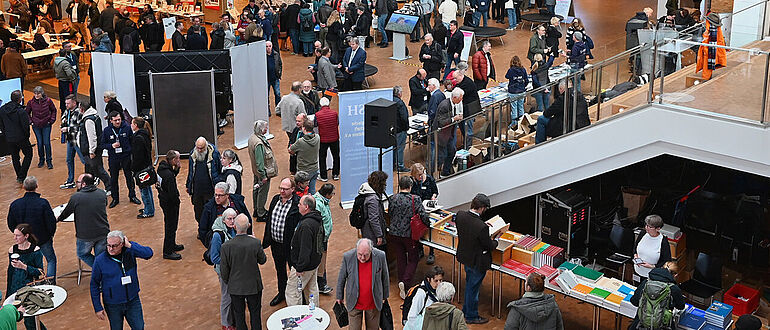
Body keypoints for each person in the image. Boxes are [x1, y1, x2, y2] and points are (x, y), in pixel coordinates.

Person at [90, 231, 153, 329]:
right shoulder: (100, 260)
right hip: (113, 305)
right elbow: (94, 284)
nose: (111, 249)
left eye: (114, 246)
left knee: (139, 327)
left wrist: (130, 246)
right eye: (108, 245)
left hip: (132, 300)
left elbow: (148, 254)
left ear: (122, 243)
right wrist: (97, 307)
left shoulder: (130, 250)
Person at [456, 193, 498, 324]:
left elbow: (470, 229)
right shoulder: (482, 227)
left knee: (470, 285)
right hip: (477, 261)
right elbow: (488, 245)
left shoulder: (460, 215)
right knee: (473, 289)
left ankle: (466, 310)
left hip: (466, 257)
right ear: (482, 208)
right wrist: (496, 240)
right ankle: (471, 315)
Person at [220, 214, 267, 330]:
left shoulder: (226, 246)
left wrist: (230, 282)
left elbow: (224, 271)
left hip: (236, 287)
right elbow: (263, 260)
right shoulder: (255, 243)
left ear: (235, 226)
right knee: (255, 315)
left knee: (239, 315)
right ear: (249, 226)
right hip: (253, 286)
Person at [7, 177, 58, 281]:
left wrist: (20, 236)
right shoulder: (43, 203)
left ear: (24, 187)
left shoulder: (15, 204)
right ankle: (50, 284)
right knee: (51, 260)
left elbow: (11, 223)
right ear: (36, 187)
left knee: (26, 264)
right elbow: (51, 222)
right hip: (43, 239)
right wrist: (50, 235)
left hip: (25, 241)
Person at [263, 177, 301, 307]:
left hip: (290, 246)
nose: (282, 191)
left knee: (294, 272)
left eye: (285, 189)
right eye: (281, 188)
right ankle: (282, 293)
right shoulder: (275, 200)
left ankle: (296, 296)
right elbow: (269, 220)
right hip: (276, 244)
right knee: (280, 270)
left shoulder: (297, 204)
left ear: (293, 189)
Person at [389, 176, 429, 298]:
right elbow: (422, 215)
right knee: (413, 258)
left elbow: (390, 212)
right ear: (410, 186)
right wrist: (428, 224)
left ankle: (402, 281)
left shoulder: (393, 198)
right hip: (409, 234)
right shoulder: (415, 199)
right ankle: (405, 283)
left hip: (394, 233)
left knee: (401, 257)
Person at [336, 239, 390, 330]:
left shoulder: (380, 256)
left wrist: (385, 296)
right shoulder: (348, 257)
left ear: (371, 250)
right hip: (354, 302)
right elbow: (341, 278)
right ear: (356, 250)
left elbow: (385, 276)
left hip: (373, 302)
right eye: (360, 254)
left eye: (366, 255)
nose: (362, 258)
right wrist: (339, 296)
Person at [58, 173, 110, 267]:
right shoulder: (102, 193)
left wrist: (58, 219)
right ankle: (103, 271)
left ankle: (99, 269)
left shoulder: (76, 197)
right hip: (103, 231)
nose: (76, 184)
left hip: (85, 235)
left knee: (82, 254)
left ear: (84, 184)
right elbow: (105, 205)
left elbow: (66, 212)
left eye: (78, 182)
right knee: (101, 257)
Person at [6, 224, 46, 330]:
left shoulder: (35, 250)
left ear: (26, 236)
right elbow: (10, 273)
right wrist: (8, 293)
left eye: (18, 235)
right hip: (15, 288)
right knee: (24, 318)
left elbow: (40, 272)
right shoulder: (12, 250)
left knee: (30, 320)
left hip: (29, 289)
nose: (15, 238)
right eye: (14, 235)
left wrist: (24, 267)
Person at [286, 195, 323, 306]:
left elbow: (305, 249)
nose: (298, 205)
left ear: (306, 207)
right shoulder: (317, 220)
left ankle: (296, 318)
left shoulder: (306, 225)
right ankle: (314, 313)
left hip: (304, 267)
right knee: (312, 289)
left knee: (292, 292)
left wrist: (299, 267)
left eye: (300, 204)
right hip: (314, 263)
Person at [102, 111, 139, 209]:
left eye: (119, 119)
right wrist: (111, 146)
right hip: (113, 157)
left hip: (126, 156)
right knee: (114, 178)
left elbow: (132, 141)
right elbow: (102, 144)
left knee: (129, 177)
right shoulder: (106, 131)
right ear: (111, 121)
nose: (118, 122)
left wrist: (130, 151)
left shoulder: (127, 128)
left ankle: (132, 195)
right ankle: (115, 198)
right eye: (115, 120)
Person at [629, 264, 684, 330]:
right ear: (675, 275)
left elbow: (634, 301)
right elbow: (681, 306)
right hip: (663, 325)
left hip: (641, 323)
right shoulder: (674, 288)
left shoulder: (646, 282)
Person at [198, 182, 251, 246]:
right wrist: (211, 245)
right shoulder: (209, 208)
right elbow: (202, 229)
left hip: (240, 242)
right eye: (215, 195)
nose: (217, 197)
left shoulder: (237, 203)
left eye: (220, 195)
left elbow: (248, 219)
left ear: (227, 195)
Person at [209, 208, 237, 328]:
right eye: (229, 219)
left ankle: (232, 319)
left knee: (232, 296)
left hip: (234, 270)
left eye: (233, 218)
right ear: (223, 220)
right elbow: (214, 257)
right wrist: (229, 263)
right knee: (226, 297)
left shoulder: (233, 230)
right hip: (224, 271)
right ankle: (225, 323)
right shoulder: (217, 235)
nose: (232, 221)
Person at [186, 137, 222, 226]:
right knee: (198, 211)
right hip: (197, 190)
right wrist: (188, 185)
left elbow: (219, 170)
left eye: (201, 148)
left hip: (210, 189)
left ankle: (211, 228)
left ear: (206, 146)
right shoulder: (192, 154)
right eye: (198, 147)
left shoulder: (214, 154)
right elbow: (190, 171)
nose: (199, 150)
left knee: (211, 210)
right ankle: (201, 228)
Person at [78, 100, 112, 192]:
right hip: (91, 150)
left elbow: (92, 137)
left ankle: (110, 187)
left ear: (82, 109)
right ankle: (90, 189)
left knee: (98, 170)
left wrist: (91, 151)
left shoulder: (89, 120)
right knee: (90, 170)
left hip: (92, 151)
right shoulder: (94, 116)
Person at [248, 120, 278, 221]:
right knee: (262, 192)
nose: (267, 129)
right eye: (265, 127)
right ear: (261, 129)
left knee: (256, 189)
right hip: (262, 173)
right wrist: (263, 175)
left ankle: (256, 210)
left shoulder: (252, 138)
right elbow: (260, 162)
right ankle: (261, 213)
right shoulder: (259, 144)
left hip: (256, 171)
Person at [157, 150, 184, 260]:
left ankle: (172, 245)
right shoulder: (168, 175)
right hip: (170, 204)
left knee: (170, 225)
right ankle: (168, 251)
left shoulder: (161, 169)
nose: (179, 160)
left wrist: (177, 168)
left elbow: (172, 175)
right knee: (171, 226)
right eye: (177, 159)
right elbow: (172, 193)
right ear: (173, 160)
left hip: (163, 199)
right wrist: (177, 202)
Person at [0, 90, 32, 184]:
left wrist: (6, 135)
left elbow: (1, 125)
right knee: (28, 154)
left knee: (15, 156)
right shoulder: (21, 111)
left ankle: (19, 175)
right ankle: (22, 175)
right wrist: (26, 136)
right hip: (21, 138)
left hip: (9, 138)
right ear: (19, 99)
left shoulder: (2, 109)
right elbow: (25, 126)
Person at [23, 87, 55, 170]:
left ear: (42, 93)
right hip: (36, 126)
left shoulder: (48, 101)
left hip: (46, 125)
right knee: (40, 143)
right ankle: (41, 160)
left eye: (38, 93)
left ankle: (49, 161)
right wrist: (31, 122)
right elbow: (26, 113)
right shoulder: (31, 102)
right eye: (35, 93)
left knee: (47, 143)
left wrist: (51, 121)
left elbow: (53, 110)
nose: (36, 95)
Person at [433, 88, 463, 177]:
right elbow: (441, 122)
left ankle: (445, 171)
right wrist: (454, 118)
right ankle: (436, 173)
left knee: (452, 151)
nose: (461, 99)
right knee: (442, 156)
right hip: (441, 134)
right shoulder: (444, 105)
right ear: (454, 97)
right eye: (460, 98)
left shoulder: (452, 103)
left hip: (449, 133)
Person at [128, 116, 153, 219]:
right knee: (148, 189)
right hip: (146, 166)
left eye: (132, 123)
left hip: (141, 168)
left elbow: (138, 156)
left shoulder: (137, 138)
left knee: (144, 191)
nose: (131, 125)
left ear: (136, 125)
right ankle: (149, 208)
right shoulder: (146, 134)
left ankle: (148, 211)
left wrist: (133, 168)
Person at [59, 95, 86, 189]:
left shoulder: (79, 112)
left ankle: (92, 177)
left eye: (68, 103)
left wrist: (68, 129)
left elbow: (81, 127)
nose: (66, 105)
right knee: (69, 160)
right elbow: (63, 120)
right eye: (65, 103)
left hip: (77, 140)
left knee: (84, 160)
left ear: (74, 103)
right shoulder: (67, 111)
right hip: (70, 139)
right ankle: (70, 180)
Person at [633, 215, 672, 279]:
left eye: (650, 227)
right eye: (646, 225)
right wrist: (635, 255)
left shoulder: (663, 241)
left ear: (658, 228)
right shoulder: (642, 233)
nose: (646, 228)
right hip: (637, 271)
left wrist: (652, 266)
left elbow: (666, 261)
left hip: (652, 276)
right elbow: (635, 247)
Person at [313, 183, 335, 294]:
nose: (333, 196)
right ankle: (321, 284)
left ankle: (321, 282)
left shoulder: (323, 201)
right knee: (321, 261)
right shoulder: (318, 203)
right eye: (332, 194)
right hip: (321, 238)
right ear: (326, 194)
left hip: (324, 237)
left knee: (323, 260)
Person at [289, 118, 321, 194]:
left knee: (300, 192)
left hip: (303, 171)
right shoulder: (317, 137)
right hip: (314, 169)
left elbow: (290, 150)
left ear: (304, 128)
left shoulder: (301, 141)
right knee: (312, 190)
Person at [359, 171, 388, 248]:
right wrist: (379, 235)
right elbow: (373, 219)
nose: (385, 185)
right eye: (384, 182)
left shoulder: (367, 192)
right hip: (372, 235)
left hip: (368, 232)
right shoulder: (373, 199)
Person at [453, 62, 478, 148]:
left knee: (468, 129)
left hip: (470, 109)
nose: (455, 81)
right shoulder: (461, 83)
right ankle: (465, 144)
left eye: (456, 79)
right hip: (465, 109)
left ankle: (468, 147)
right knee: (463, 128)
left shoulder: (467, 83)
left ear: (460, 76)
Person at [315, 98, 340, 181]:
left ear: (320, 105)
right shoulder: (334, 113)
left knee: (322, 157)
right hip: (334, 138)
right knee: (336, 156)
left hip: (323, 140)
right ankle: (335, 174)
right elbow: (337, 123)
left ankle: (324, 176)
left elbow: (315, 125)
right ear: (328, 104)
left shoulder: (317, 114)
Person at [696, 13, 726, 80]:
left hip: (708, 51)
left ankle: (706, 79)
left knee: (707, 67)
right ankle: (707, 78)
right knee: (708, 67)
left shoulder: (709, 29)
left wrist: (705, 50)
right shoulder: (716, 29)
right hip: (712, 50)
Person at [506, 55, 528, 128]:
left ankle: (514, 123)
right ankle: (522, 122)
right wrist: (523, 86)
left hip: (513, 92)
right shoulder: (523, 69)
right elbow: (526, 80)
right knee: (521, 107)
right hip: (521, 91)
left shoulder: (511, 70)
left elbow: (506, 76)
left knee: (514, 108)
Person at [392, 86, 410, 172]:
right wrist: (406, 127)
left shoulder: (390, 100)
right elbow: (404, 117)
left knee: (394, 148)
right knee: (400, 148)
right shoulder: (400, 103)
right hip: (401, 129)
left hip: (393, 129)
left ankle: (393, 164)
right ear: (399, 93)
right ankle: (400, 166)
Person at [266, 41, 282, 110]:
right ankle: (267, 110)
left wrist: (279, 73)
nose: (268, 48)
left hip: (275, 78)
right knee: (266, 96)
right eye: (266, 46)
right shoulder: (262, 56)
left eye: (270, 46)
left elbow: (280, 64)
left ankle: (278, 109)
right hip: (266, 79)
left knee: (277, 94)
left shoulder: (276, 54)